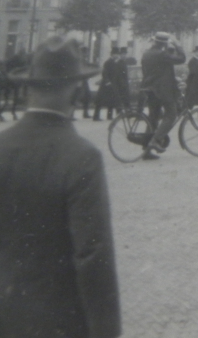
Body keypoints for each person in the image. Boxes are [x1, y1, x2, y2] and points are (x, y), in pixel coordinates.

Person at [1, 36, 121, 337]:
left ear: (28, 86)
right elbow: (94, 255)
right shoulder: (82, 157)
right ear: (77, 90)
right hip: (58, 322)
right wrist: (106, 330)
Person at [140, 32, 186, 159]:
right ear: (164, 44)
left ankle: (146, 150)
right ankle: (156, 140)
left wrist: (171, 78)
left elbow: (154, 71)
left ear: (155, 41)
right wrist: (177, 44)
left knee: (153, 118)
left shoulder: (147, 53)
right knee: (171, 115)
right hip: (162, 90)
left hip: (150, 88)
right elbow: (182, 58)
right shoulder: (161, 54)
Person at [92, 47, 121, 121]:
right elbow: (105, 73)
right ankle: (96, 116)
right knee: (100, 100)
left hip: (112, 84)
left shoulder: (114, 62)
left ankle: (109, 115)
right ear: (113, 54)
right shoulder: (108, 62)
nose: (117, 56)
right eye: (116, 54)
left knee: (111, 100)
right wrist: (107, 81)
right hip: (106, 84)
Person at [114, 47, 131, 112]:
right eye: (123, 54)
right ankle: (119, 111)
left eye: (125, 54)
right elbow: (118, 74)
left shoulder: (124, 62)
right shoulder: (118, 63)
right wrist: (122, 83)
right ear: (120, 55)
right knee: (121, 98)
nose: (124, 56)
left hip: (125, 83)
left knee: (126, 98)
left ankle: (127, 111)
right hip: (120, 83)